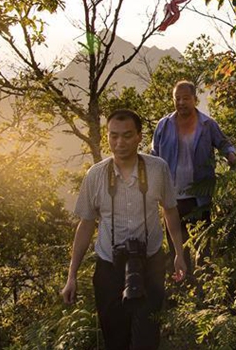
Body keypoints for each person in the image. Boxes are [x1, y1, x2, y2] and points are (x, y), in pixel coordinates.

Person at [61, 109, 187, 350]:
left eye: (127, 135)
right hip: (109, 268)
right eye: (114, 135)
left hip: (150, 264)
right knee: (115, 339)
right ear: (107, 136)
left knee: (147, 339)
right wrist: (71, 276)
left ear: (139, 136)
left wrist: (178, 254)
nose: (119, 143)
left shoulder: (157, 169)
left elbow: (170, 211)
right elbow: (86, 224)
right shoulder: (96, 175)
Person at [151, 81, 236, 265]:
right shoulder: (163, 126)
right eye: (177, 98)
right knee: (176, 248)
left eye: (185, 98)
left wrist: (231, 156)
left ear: (195, 99)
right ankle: (183, 278)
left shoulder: (207, 125)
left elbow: (224, 144)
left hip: (199, 198)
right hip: (171, 198)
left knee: (202, 247)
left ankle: (205, 279)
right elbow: (154, 157)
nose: (181, 102)